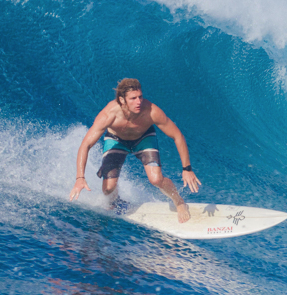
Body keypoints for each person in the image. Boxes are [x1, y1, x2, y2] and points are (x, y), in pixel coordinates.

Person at [69, 78, 201, 223]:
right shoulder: (109, 114)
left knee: (156, 179)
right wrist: (80, 178)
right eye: (133, 98)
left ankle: (179, 202)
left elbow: (177, 136)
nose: (138, 102)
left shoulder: (151, 111)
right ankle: (116, 201)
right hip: (116, 140)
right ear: (122, 100)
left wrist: (187, 168)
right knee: (108, 189)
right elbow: (86, 144)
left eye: (140, 97)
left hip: (143, 138)